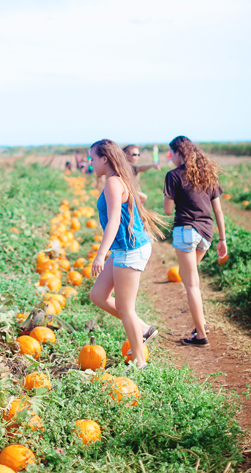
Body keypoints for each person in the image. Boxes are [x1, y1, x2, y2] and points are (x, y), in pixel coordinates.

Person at [88, 139, 165, 370]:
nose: (91, 163)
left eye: (93, 158)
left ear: (104, 158)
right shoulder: (117, 180)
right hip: (125, 248)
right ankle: (142, 329)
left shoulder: (113, 183)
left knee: (125, 308)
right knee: (98, 296)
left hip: (129, 249)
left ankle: (140, 362)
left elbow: (113, 221)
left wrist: (101, 255)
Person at [163, 136, 228, 348]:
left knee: (191, 284)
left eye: (171, 153)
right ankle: (202, 323)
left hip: (187, 231)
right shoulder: (208, 174)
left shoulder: (173, 176)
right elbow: (218, 210)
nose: (171, 157)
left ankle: (200, 335)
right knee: (189, 277)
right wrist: (223, 239)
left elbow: (167, 210)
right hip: (206, 234)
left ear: (178, 153)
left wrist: (166, 195)